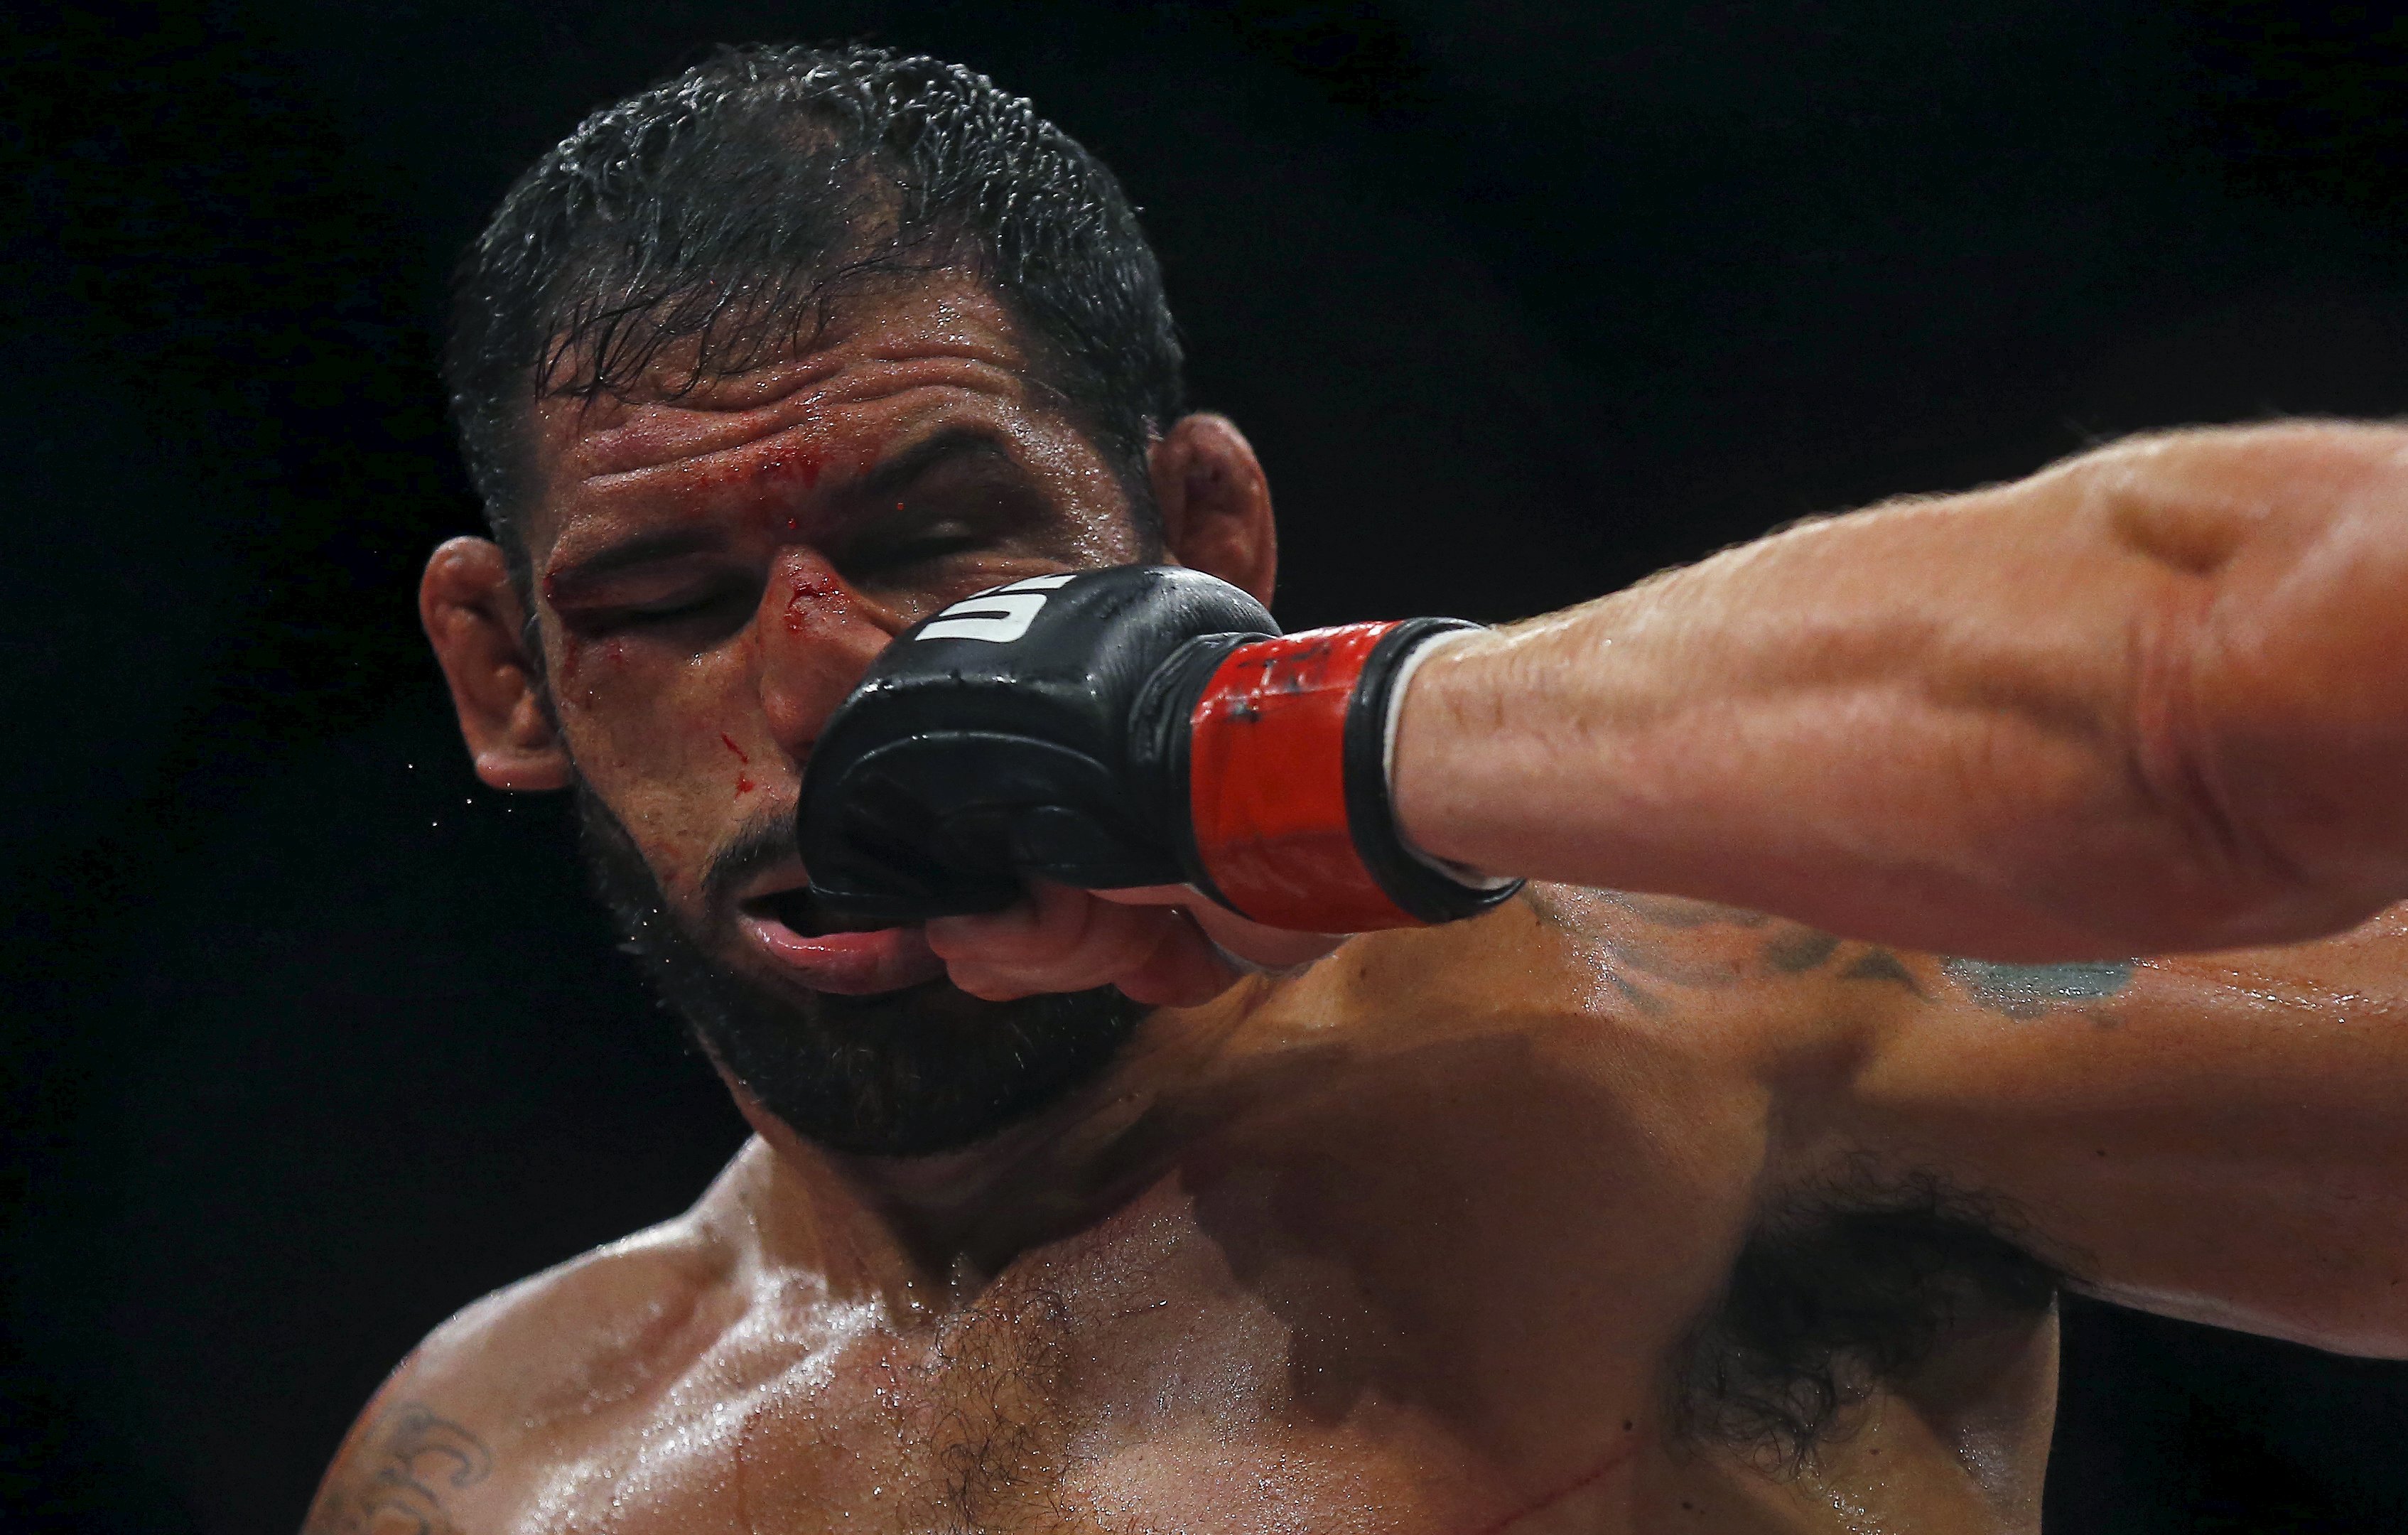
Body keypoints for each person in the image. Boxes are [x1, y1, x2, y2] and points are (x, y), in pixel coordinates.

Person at [311, 43, 2408, 1534]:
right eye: (665, 599)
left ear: (1204, 545)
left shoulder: (1699, 1065)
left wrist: (1308, 754)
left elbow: (2272, 664)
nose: (828, 689)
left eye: (949, 541)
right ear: (504, 674)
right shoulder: (494, 1469)